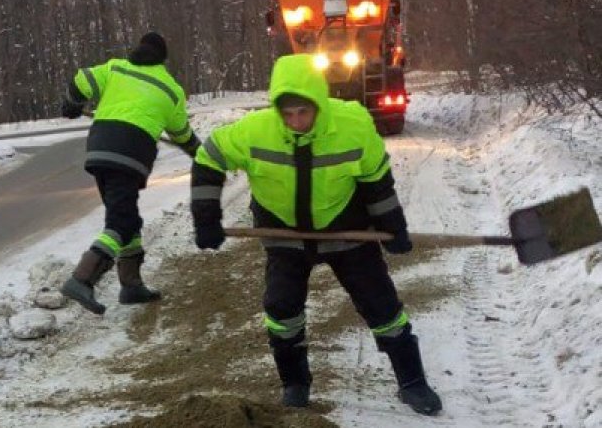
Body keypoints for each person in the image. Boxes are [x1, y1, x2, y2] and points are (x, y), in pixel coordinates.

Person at [189, 53, 442, 415]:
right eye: (287, 113)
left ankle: (413, 382)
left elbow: (377, 182)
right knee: (280, 308)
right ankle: (295, 383)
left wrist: (393, 227)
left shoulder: (353, 125)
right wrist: (206, 218)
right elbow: (208, 157)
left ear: (319, 105)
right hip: (283, 231)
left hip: (346, 228)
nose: (296, 122)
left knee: (381, 304)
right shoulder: (255, 130)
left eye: (303, 112)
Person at [59, 32, 201, 315]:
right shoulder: (171, 90)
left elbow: (82, 79)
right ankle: (82, 278)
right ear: (163, 59)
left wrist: (72, 105)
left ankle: (131, 285)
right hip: (131, 154)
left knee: (126, 216)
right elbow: (182, 134)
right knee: (121, 222)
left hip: (99, 149)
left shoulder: (116, 68)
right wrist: (202, 155)